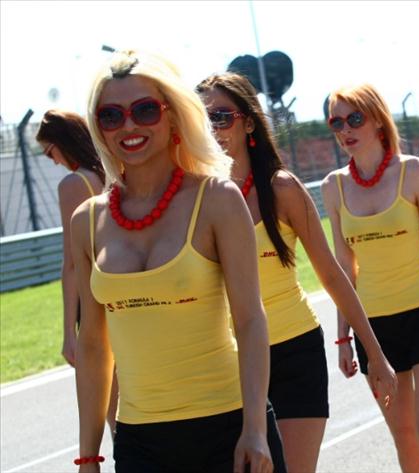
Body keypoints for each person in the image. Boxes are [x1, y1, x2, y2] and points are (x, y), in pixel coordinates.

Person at [72, 50, 284, 473]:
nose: (128, 126)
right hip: (140, 441)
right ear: (99, 128)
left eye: (145, 110)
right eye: (111, 116)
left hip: (228, 427)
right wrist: (89, 454)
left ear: (173, 117)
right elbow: (94, 346)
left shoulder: (218, 200)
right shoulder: (87, 220)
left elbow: (250, 320)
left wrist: (255, 429)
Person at [196, 72, 397, 473]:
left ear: (248, 121)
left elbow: (333, 275)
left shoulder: (281, 188)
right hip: (229, 364)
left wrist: (374, 352)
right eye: (203, 118)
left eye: (221, 116)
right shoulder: (197, 199)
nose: (212, 128)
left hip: (293, 354)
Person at [321, 83, 419, 473]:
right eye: (336, 121)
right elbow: (345, 267)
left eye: (354, 118)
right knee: (404, 436)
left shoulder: (415, 171)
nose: (345, 129)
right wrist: (344, 337)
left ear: (378, 119)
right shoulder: (333, 186)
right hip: (374, 329)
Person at [35, 111, 119, 438]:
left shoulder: (74, 183)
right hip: (127, 290)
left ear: (63, 144)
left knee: (118, 423)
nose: (53, 161)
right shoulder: (112, 172)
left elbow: (71, 262)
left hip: (95, 301)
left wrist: (70, 332)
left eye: (50, 152)